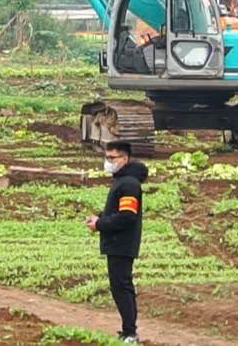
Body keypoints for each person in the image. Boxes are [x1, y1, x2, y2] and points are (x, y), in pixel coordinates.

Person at [87, 141, 147, 343]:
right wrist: (99, 217)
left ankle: (130, 333)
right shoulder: (121, 181)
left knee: (122, 287)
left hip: (121, 243)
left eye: (112, 158)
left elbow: (126, 216)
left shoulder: (128, 184)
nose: (108, 162)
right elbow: (117, 212)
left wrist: (100, 224)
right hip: (117, 242)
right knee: (120, 286)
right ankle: (128, 330)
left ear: (125, 158)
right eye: (107, 157)